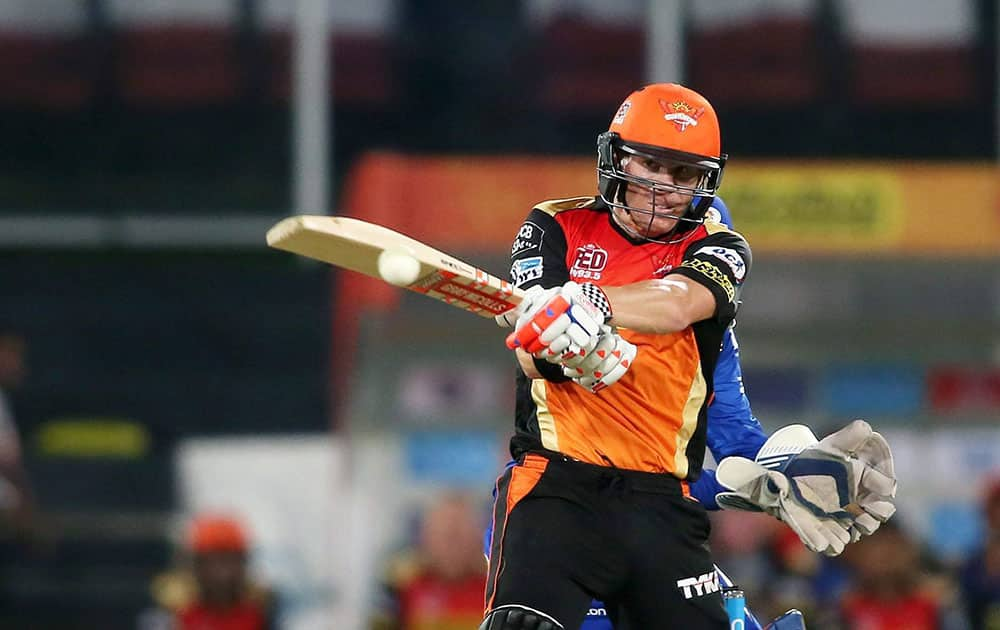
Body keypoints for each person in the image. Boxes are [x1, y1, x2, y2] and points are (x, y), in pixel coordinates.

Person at [483, 83, 897, 629]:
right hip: (554, 490)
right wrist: (562, 338)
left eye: (683, 175)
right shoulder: (553, 226)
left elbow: (685, 312)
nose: (663, 189)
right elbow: (532, 357)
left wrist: (778, 473)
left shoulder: (718, 251)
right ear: (616, 159)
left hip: (658, 505)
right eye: (650, 165)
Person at [370, 492, 488, 630]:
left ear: (478, 538)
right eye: (445, 536)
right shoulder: (400, 585)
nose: (452, 547)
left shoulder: (496, 586)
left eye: (460, 536)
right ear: (425, 537)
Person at [146, 514, 276, 630]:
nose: (222, 574)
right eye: (212, 562)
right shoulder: (173, 611)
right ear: (195, 565)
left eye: (230, 561)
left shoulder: (261, 609)